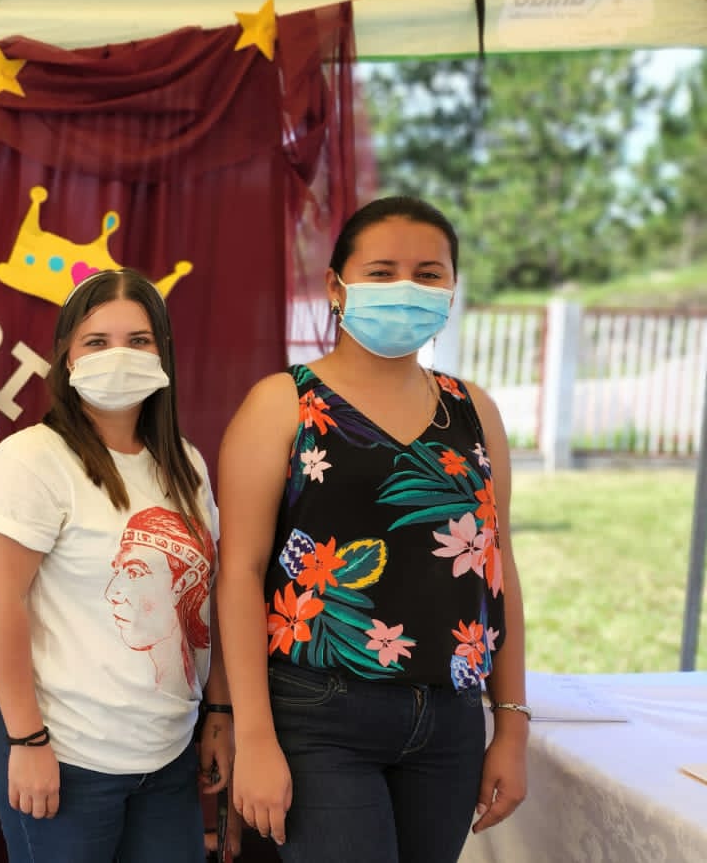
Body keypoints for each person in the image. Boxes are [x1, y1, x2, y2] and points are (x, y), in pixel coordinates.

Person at [215, 196, 528, 862]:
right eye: (382, 272)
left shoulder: (474, 411)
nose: (405, 289)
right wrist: (255, 735)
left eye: (428, 274)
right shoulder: (282, 404)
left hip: (449, 721)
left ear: (451, 289)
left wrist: (510, 724)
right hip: (320, 714)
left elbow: (497, 568)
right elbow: (238, 573)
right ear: (336, 286)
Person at [0, 269, 228, 863]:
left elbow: (206, 602)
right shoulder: (33, 460)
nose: (119, 356)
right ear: (66, 355)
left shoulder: (185, 464)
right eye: (97, 341)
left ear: (162, 352)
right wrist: (26, 739)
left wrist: (219, 711)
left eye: (138, 340)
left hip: (168, 757)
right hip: (67, 758)